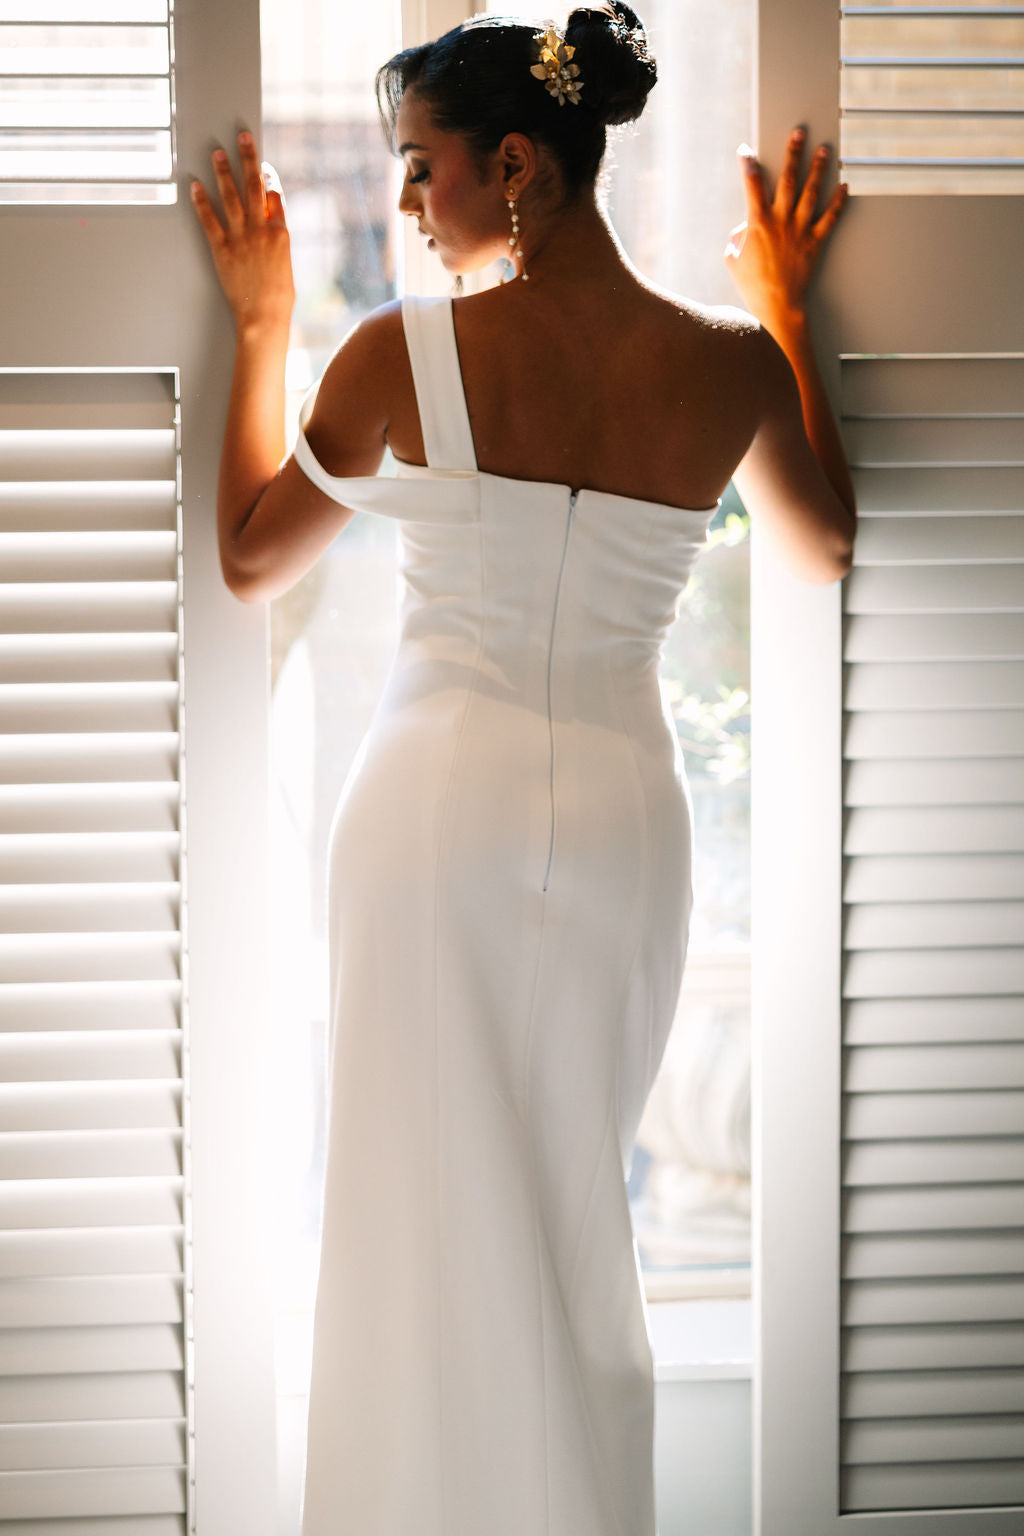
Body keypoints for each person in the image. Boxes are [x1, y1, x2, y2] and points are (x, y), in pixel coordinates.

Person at [190, 6, 856, 1533]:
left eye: (419, 170)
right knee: (570, 1208)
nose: (410, 208)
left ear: (513, 163)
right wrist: (797, 325)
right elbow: (825, 545)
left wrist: (258, 328)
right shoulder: (730, 368)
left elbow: (246, 565)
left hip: (436, 809)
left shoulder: (397, 355)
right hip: (627, 814)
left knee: (412, 1215)